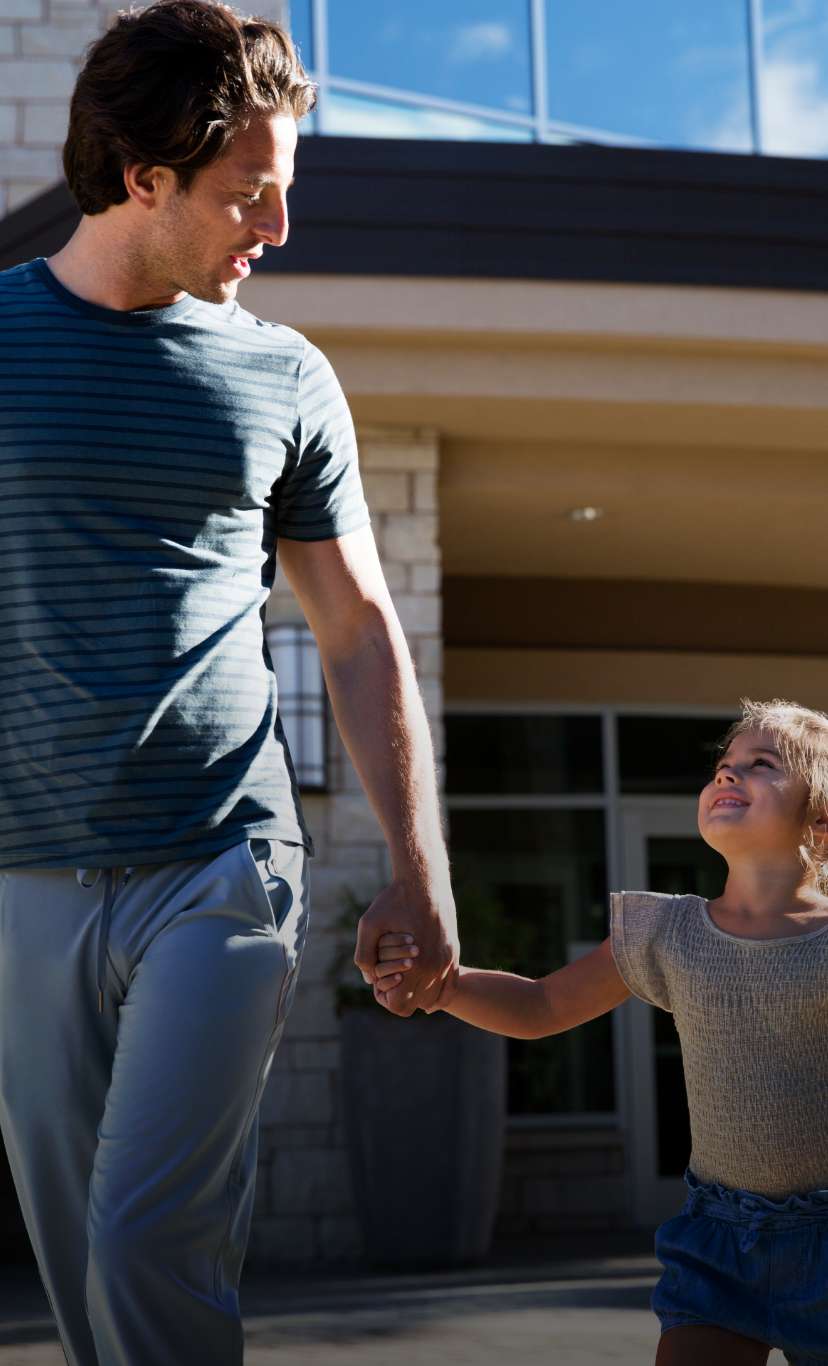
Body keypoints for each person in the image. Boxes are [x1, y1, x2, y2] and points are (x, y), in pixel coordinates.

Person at [0, 2, 457, 1363]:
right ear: (145, 177)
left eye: (285, 190)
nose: (277, 228)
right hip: (24, 869)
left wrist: (417, 860)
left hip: (223, 857)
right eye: (248, 196)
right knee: (85, 1260)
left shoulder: (288, 376)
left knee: (150, 1236)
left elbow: (362, 624)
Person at [375, 698, 828, 1366]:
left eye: (760, 766)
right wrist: (444, 986)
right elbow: (541, 1007)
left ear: (819, 823)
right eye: (724, 766)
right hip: (715, 1243)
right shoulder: (667, 931)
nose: (728, 777)